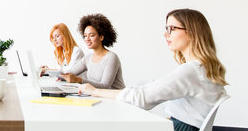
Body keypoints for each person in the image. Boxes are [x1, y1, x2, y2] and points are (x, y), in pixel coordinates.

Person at [80, 9, 228, 131]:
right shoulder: (202, 69)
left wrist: (95, 91)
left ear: (192, 33)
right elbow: (150, 90)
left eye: (172, 28)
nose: (166, 34)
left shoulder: (192, 71)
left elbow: (142, 99)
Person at [60, 13, 125, 89]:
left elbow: (105, 86)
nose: (87, 39)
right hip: (98, 96)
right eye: (85, 36)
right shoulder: (88, 57)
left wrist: (79, 80)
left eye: (91, 35)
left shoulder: (111, 57)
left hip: (116, 98)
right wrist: (54, 73)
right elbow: (70, 73)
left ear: (101, 37)